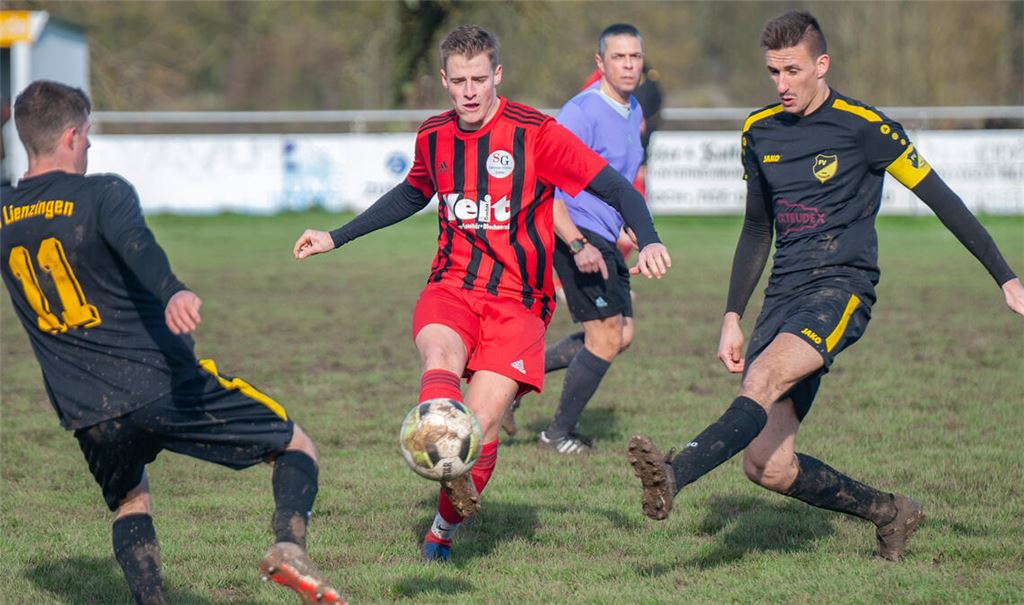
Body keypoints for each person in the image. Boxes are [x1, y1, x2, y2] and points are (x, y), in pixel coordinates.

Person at [626, 11, 1024, 563]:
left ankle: (675, 473)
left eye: (792, 70)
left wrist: (1005, 275)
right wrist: (732, 315)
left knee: (761, 379)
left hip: (842, 287)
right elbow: (756, 228)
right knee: (767, 464)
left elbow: (943, 199)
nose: (781, 84)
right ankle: (891, 512)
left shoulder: (866, 127)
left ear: (822, 64)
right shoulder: (758, 131)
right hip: (783, 296)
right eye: (773, 72)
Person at [292, 25, 671, 563]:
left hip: (519, 302)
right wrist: (336, 236)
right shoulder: (434, 135)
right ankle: (435, 431)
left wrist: (650, 238)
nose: (469, 91)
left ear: (497, 76)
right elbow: (411, 193)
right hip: (452, 286)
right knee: (439, 357)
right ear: (444, 81)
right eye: (458, 81)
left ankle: (444, 527)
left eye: (479, 79)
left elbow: (610, 185)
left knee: (484, 423)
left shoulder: (536, 132)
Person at [0, 80, 344, 605]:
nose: (90, 145)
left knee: (131, 501)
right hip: (160, 384)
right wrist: (172, 290)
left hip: (87, 411)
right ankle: (289, 547)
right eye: (88, 134)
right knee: (295, 444)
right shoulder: (102, 193)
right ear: (71, 135)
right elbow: (139, 247)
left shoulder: (3, 214)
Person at [504, 23, 651, 454]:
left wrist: (629, 225)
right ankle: (557, 434)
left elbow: (619, 182)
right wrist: (575, 243)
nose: (628, 65)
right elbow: (541, 186)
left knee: (620, 335)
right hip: (576, 234)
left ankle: (511, 383)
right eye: (619, 57)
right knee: (605, 336)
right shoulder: (580, 114)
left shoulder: (635, 110)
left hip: (605, 235)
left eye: (635, 57)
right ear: (600, 63)